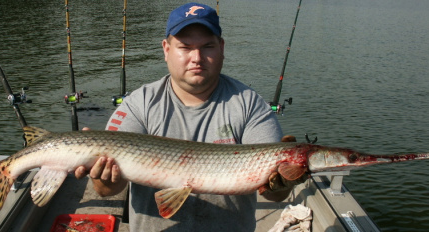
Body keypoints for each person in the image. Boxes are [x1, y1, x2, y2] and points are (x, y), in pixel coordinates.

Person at [75, 2, 305, 231]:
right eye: (185, 47)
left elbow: (277, 195)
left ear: (221, 48)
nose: (197, 57)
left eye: (207, 46)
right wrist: (104, 179)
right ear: (166, 49)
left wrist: (282, 183)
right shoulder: (139, 104)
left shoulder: (249, 104)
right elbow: (106, 190)